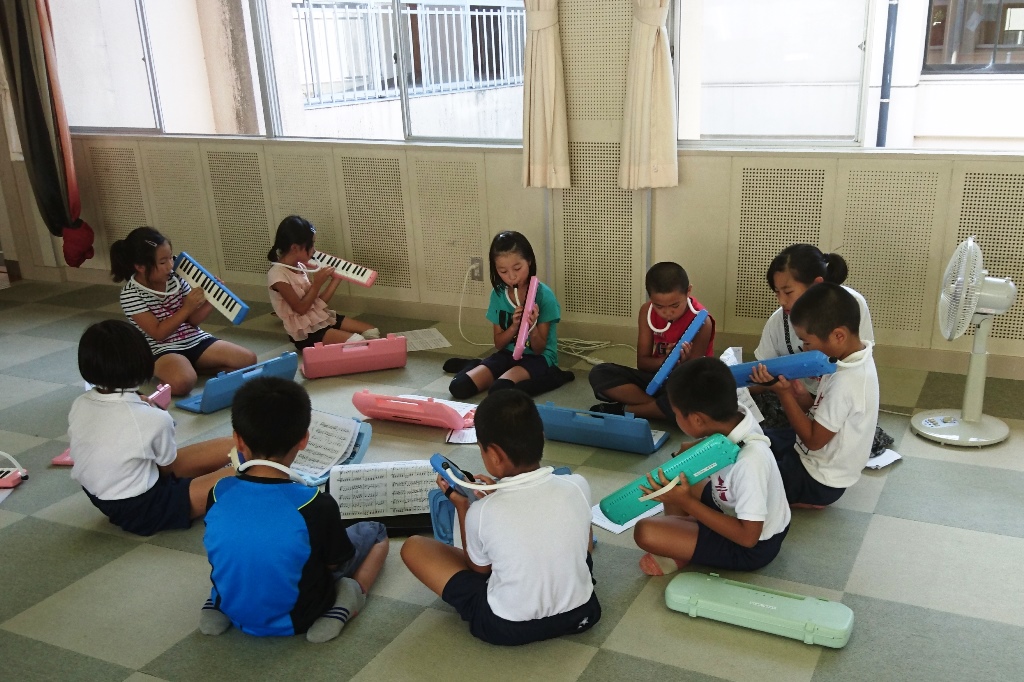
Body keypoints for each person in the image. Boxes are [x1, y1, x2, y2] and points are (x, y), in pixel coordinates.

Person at [401, 390, 601, 646]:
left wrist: (463, 506)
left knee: (414, 547)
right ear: (541, 437)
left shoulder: (482, 512)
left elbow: (480, 570)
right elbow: (586, 548)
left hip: (506, 628)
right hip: (583, 612)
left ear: (494, 455)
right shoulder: (577, 484)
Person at [200, 377, 389, 643]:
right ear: (303, 440)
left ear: (238, 440)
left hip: (235, 608)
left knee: (247, 553)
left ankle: (220, 604)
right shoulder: (315, 504)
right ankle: (348, 599)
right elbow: (335, 562)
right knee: (376, 532)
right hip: (302, 616)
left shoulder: (218, 492)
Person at [69, 320, 235, 536]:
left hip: (100, 495)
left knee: (233, 447)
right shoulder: (154, 419)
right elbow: (167, 468)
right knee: (248, 473)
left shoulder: (80, 402)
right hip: (143, 507)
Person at [633, 358, 791, 576]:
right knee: (678, 468)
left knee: (645, 532)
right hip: (728, 506)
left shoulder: (750, 462)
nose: (676, 418)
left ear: (697, 420)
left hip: (753, 546)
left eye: (676, 414)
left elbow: (748, 538)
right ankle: (686, 531)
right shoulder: (738, 416)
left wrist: (686, 502)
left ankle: (681, 546)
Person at [752, 283, 879, 508]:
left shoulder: (847, 380)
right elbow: (825, 415)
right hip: (808, 454)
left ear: (838, 336)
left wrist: (784, 395)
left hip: (818, 479)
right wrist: (801, 396)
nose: (804, 347)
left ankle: (804, 500)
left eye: (807, 342)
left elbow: (814, 440)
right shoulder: (852, 359)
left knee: (746, 479)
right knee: (754, 438)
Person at [110, 226, 256, 396]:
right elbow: (158, 333)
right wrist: (187, 307)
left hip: (193, 339)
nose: (170, 266)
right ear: (140, 266)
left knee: (249, 360)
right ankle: (173, 369)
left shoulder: (176, 278)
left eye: (170, 258)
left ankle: (191, 366)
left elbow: (192, 321)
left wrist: (212, 298)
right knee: (182, 383)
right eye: (162, 262)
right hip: (161, 349)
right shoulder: (130, 293)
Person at [448, 231, 571, 398]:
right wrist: (514, 326)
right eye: (503, 271)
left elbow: (539, 349)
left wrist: (532, 327)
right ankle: (476, 364)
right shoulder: (498, 294)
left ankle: (556, 376)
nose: (512, 276)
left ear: (529, 261)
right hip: (507, 354)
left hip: (538, 358)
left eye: (517, 268)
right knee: (459, 387)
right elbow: (499, 344)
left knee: (500, 391)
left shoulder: (544, 296)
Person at [589, 262, 715, 419]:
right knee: (599, 373)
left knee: (695, 396)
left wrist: (682, 361)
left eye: (675, 305)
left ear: (688, 291)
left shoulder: (702, 321)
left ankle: (627, 410)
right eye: (659, 306)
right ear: (650, 297)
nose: (667, 312)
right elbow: (643, 363)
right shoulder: (646, 311)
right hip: (655, 379)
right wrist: (667, 360)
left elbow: (693, 374)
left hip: (684, 382)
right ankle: (660, 409)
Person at [267, 215, 379, 350]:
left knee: (372, 332)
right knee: (358, 342)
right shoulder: (277, 275)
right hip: (306, 332)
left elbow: (317, 302)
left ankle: (345, 347)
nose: (314, 250)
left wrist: (337, 278)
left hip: (320, 317)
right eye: (311, 245)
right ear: (295, 248)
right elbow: (301, 309)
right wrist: (317, 283)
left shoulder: (300, 266)